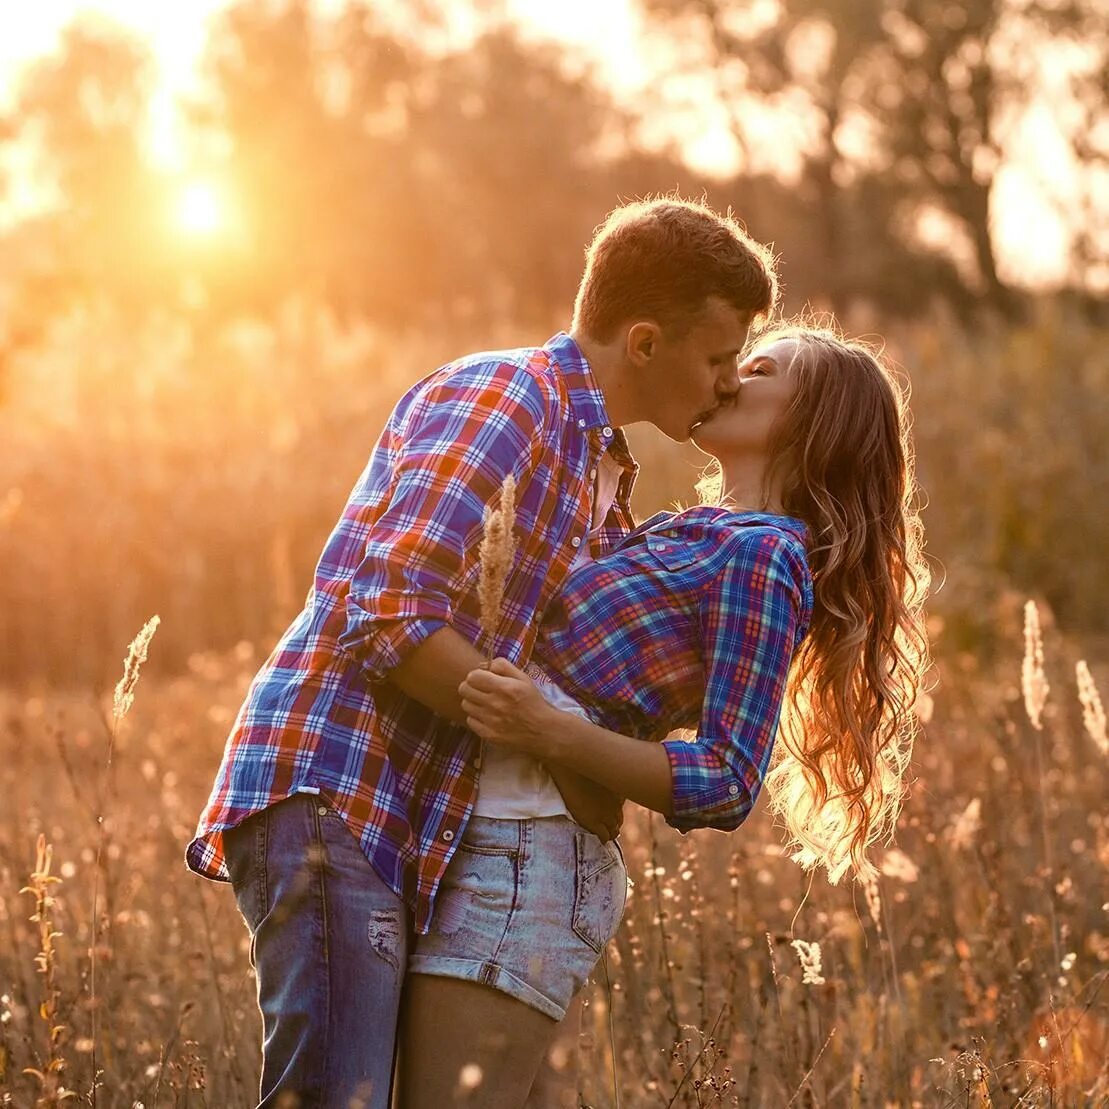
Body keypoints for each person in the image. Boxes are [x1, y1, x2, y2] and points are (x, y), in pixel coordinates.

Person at [184, 196, 779, 1109]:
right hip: (337, 785)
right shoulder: (511, 399)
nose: (728, 382)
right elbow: (380, 606)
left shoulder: (601, 470)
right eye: (718, 355)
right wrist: (534, 725)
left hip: (401, 812)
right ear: (647, 342)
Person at [396, 324, 930, 1107]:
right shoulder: (684, 529)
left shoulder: (766, 555)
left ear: (815, 418)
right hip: (489, 834)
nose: (723, 380)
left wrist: (549, 731)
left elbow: (724, 777)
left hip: (528, 861)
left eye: (754, 369)